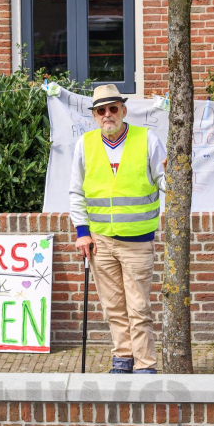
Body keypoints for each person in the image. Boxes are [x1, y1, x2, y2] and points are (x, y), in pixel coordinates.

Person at [69, 84, 167, 374]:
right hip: (101, 241)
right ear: (94, 116)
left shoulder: (147, 139)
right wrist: (82, 232)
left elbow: (165, 181)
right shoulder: (85, 144)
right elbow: (76, 192)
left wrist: (175, 172)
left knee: (138, 308)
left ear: (123, 110)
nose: (107, 114)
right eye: (101, 110)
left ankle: (145, 366)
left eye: (113, 108)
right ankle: (122, 361)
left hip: (137, 242)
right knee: (113, 308)